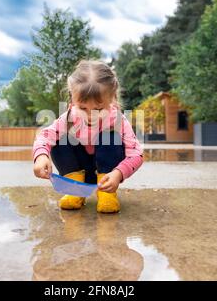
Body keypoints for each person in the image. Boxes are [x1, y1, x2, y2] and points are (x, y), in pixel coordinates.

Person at [32, 60, 143, 213]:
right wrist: (41, 157)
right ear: (72, 98)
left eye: (98, 108)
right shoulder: (70, 117)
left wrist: (118, 173)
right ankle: (75, 191)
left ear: (111, 99)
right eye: (83, 107)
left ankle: (106, 194)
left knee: (110, 137)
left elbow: (136, 153)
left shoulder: (117, 120)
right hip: (78, 171)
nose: (90, 115)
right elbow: (44, 137)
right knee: (59, 139)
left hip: (106, 174)